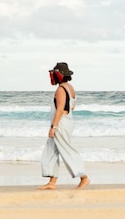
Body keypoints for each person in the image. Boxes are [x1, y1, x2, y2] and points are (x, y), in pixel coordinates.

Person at [39, 62, 90, 190]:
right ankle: (52, 182)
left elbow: (60, 109)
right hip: (67, 122)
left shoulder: (61, 89)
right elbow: (72, 106)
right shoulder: (70, 87)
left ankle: (84, 177)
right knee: (51, 150)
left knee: (66, 150)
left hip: (61, 124)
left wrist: (53, 127)